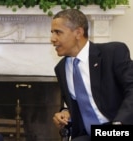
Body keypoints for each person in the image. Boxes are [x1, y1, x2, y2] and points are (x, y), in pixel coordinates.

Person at [51, 9, 133, 141]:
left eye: (58, 32)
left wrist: (119, 124)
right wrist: (66, 113)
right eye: (52, 33)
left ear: (78, 32)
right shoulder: (61, 68)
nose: (53, 39)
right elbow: (80, 104)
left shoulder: (113, 53)